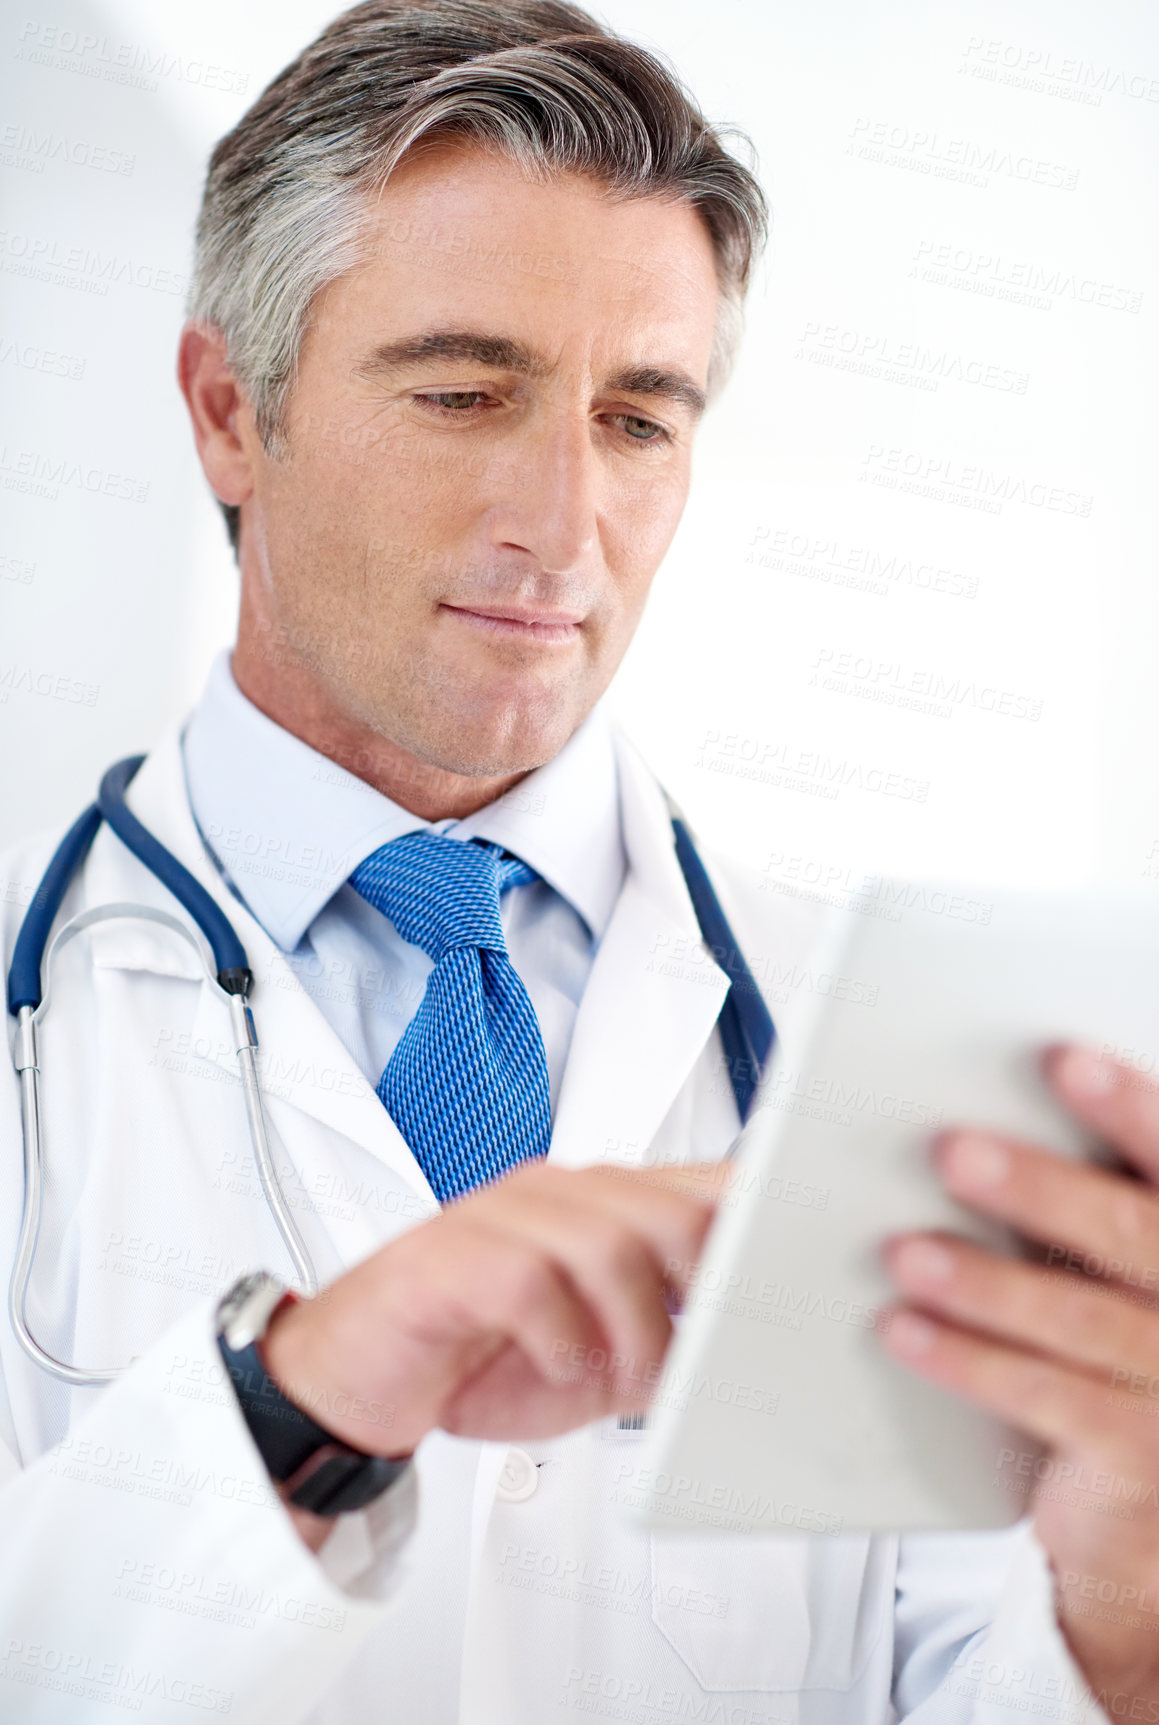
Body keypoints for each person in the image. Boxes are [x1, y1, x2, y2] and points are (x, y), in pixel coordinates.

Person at [2, 2, 1158, 1720]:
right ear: (231, 411)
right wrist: (300, 1397)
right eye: (467, 392)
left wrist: (1121, 1604)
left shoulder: (891, 1063)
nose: (564, 522)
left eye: (640, 418)